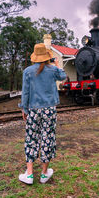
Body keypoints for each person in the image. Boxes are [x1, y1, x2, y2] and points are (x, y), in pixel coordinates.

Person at [18, 43, 67, 185]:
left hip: (33, 109)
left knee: (31, 138)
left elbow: (25, 93)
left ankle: (29, 174)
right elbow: (63, 76)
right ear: (47, 57)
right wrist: (58, 65)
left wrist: (24, 109)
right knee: (48, 137)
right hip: (49, 110)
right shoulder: (53, 70)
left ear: (35, 57)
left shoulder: (27, 71)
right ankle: (44, 174)